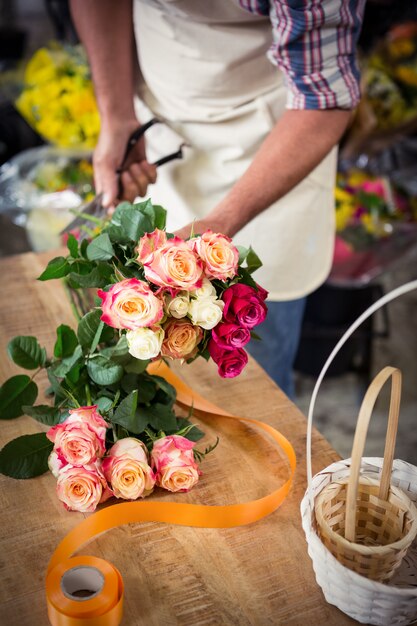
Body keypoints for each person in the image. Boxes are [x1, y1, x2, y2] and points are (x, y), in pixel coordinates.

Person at [69, 0, 366, 398]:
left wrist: (223, 223)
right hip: (160, 112)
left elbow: (324, 99)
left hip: (274, 141)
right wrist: (116, 115)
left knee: (259, 381)